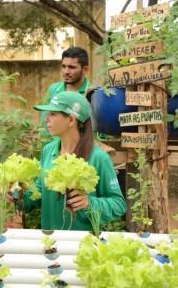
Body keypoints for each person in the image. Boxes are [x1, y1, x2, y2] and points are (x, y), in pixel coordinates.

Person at [26, 91, 126, 230]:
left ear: (72, 120)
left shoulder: (99, 158)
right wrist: (20, 193)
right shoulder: (48, 151)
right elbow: (39, 190)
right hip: (50, 242)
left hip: (82, 243)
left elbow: (118, 204)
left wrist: (89, 203)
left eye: (53, 114)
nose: (46, 119)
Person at [39, 47, 91, 132]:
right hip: (53, 143)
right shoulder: (53, 89)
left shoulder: (92, 92)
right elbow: (44, 124)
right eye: (63, 66)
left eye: (71, 67)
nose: (66, 71)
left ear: (85, 69)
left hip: (81, 144)